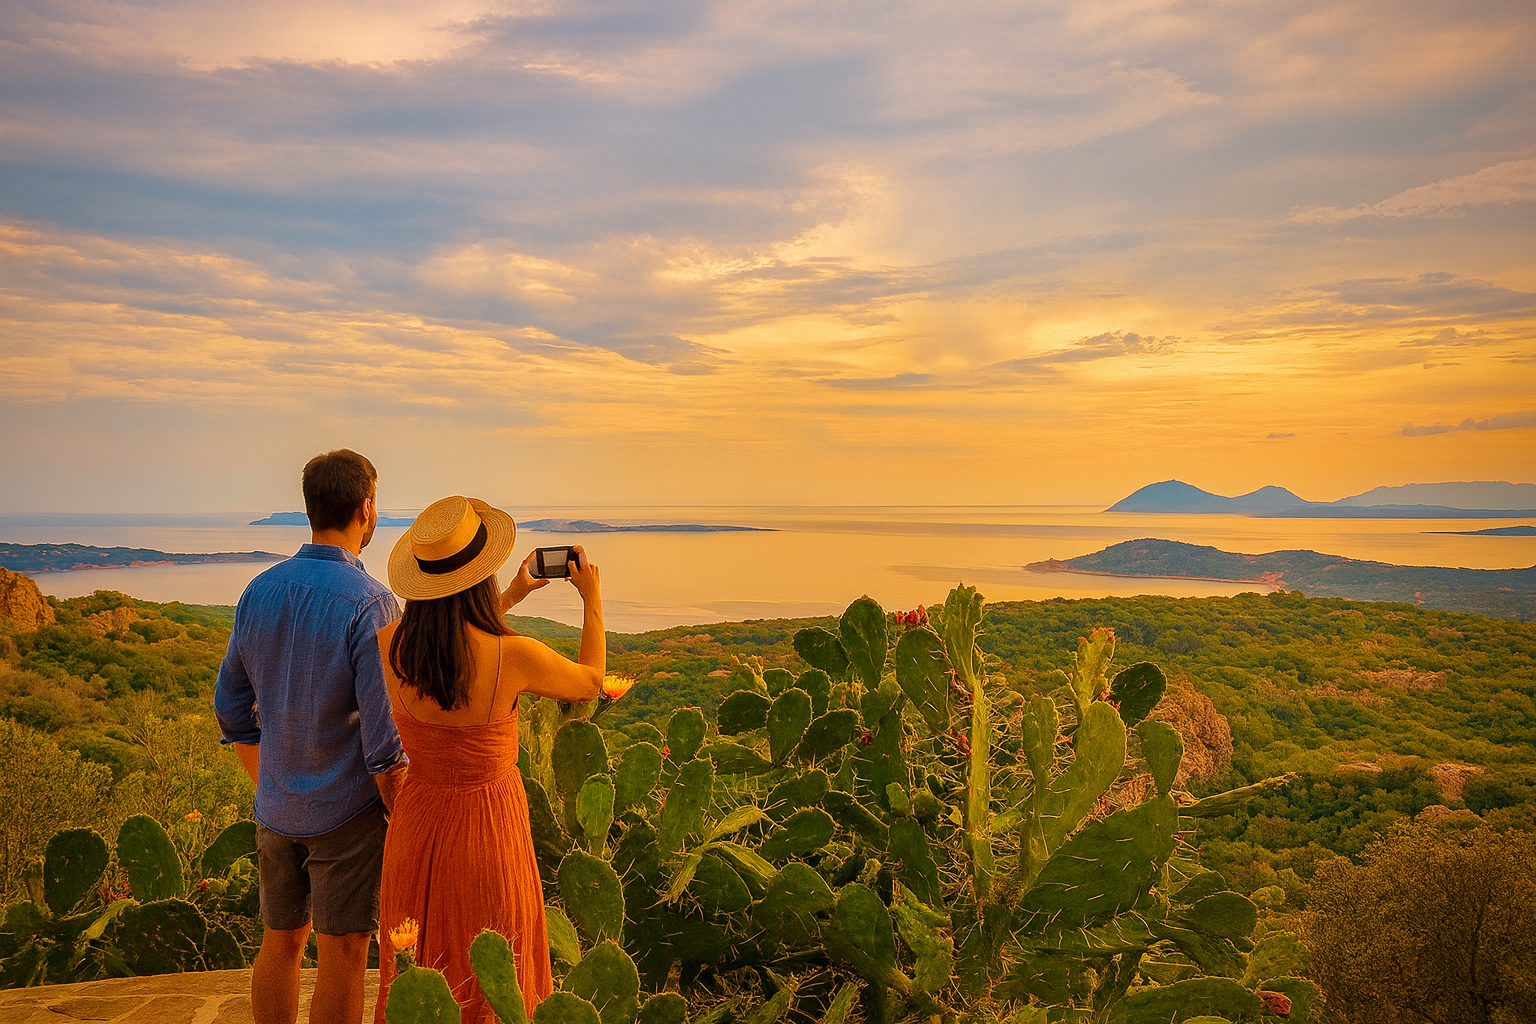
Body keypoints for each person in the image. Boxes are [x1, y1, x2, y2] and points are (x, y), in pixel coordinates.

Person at [374, 496, 605, 1021]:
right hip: (487, 827)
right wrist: (592, 598)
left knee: (422, 965)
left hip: (417, 823)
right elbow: (591, 682)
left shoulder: (390, 644)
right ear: (481, 578)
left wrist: (514, 594)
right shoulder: (514, 656)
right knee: (495, 965)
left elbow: (451, 645)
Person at [214, 449, 406, 1024]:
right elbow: (384, 743)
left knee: (281, 941)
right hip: (347, 815)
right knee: (343, 954)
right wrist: (408, 821)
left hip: (275, 810)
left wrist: (270, 781)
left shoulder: (259, 590)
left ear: (309, 507)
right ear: (366, 508)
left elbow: (230, 708)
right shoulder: (371, 602)